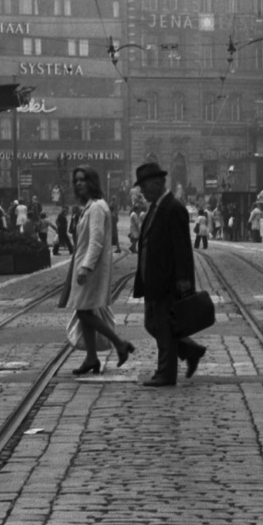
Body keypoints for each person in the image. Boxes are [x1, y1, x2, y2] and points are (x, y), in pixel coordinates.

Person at [132, 162, 205, 387]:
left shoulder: (173, 208)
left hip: (167, 279)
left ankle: (166, 373)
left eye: (145, 186)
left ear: (157, 183)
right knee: (152, 324)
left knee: (162, 326)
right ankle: (190, 350)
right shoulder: (155, 207)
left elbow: (182, 249)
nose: (142, 191)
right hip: (152, 278)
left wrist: (184, 281)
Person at [62, 165, 134, 375]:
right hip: (86, 267)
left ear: (92, 182)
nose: (78, 184)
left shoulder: (96, 208)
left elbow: (96, 242)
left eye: (83, 179)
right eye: (76, 180)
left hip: (90, 269)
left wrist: (85, 267)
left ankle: (119, 343)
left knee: (84, 311)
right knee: (83, 310)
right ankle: (91, 358)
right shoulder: (91, 206)